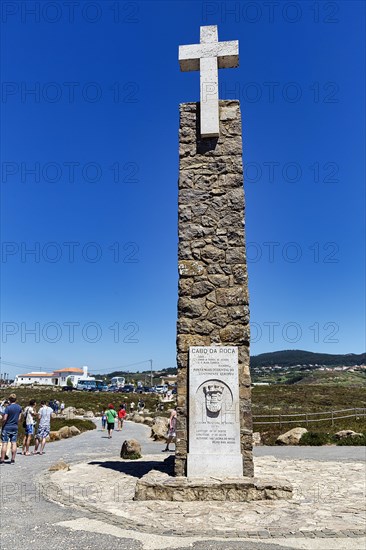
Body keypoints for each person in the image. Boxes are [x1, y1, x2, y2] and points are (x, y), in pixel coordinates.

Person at [0, 394, 22, 464]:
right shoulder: (19, 407)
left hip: (7, 426)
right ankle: (13, 459)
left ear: (9, 399)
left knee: (5, 443)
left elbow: (5, 418)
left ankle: (2, 459)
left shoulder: (8, 408)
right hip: (14, 426)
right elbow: (19, 418)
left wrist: (2, 424)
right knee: (14, 443)